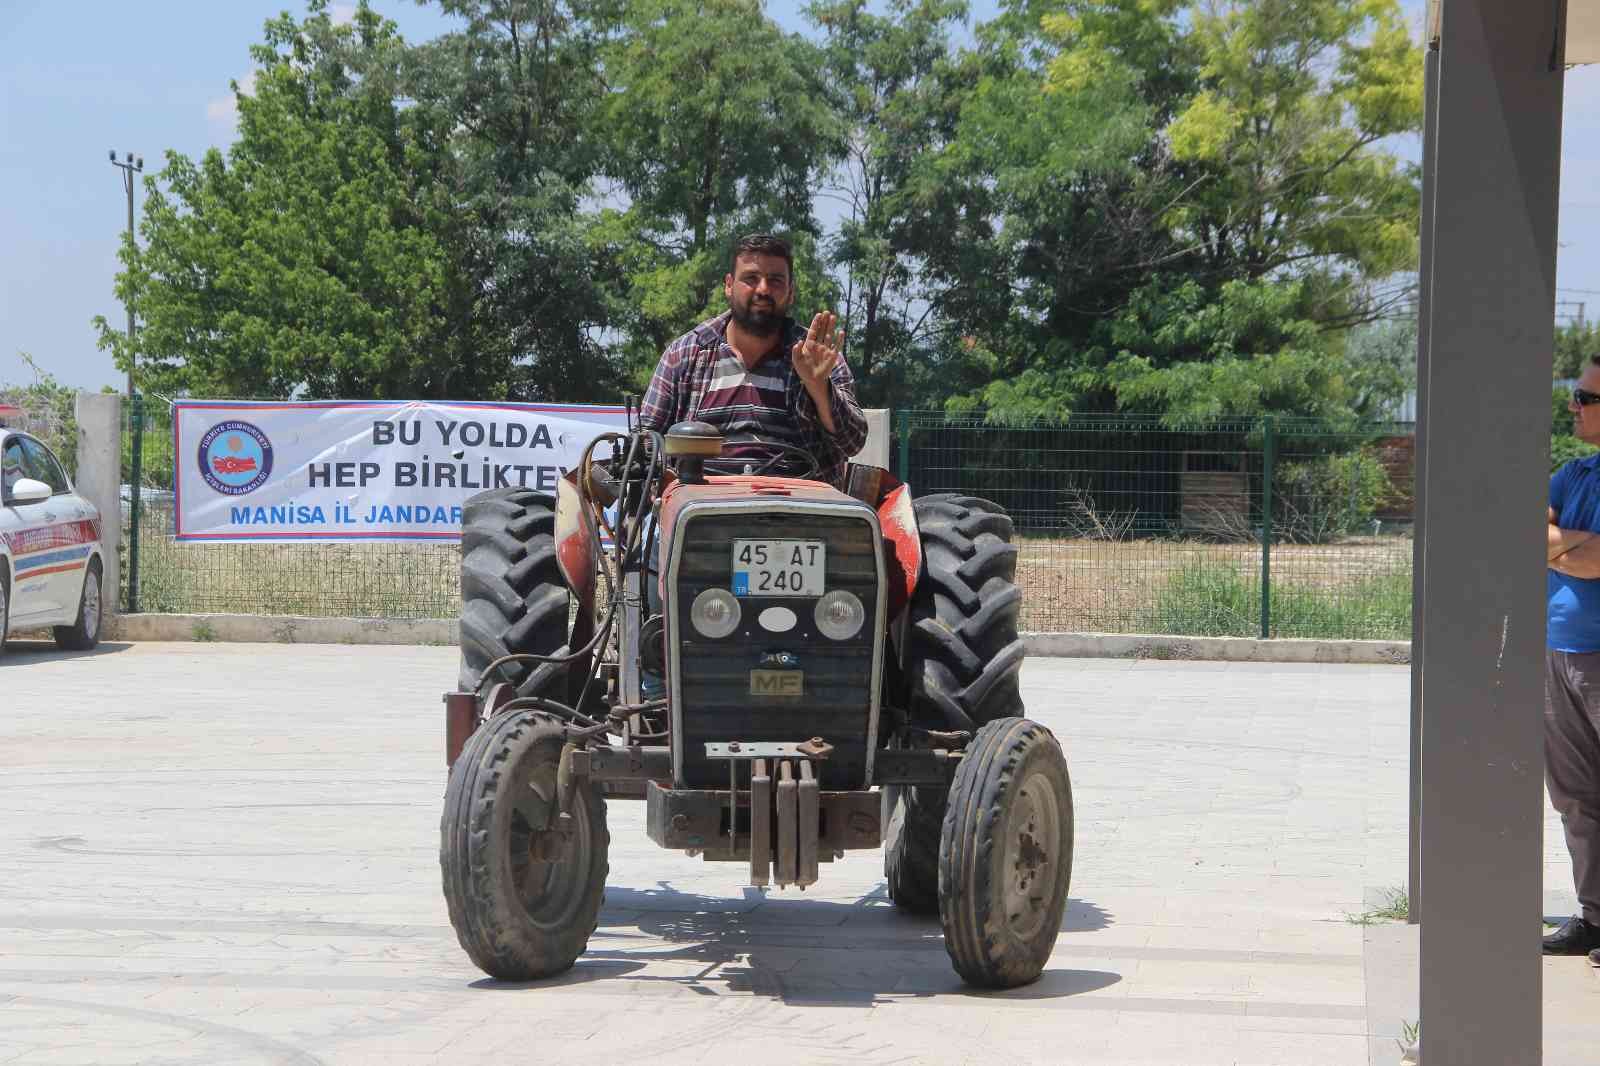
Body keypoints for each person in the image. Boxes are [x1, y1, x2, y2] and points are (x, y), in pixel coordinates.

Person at [637, 233, 868, 488]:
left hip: (802, 517)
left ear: (790, 292)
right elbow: (645, 443)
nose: (763, 289)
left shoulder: (817, 356)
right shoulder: (685, 355)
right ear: (728, 285)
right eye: (751, 278)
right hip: (702, 518)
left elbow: (853, 442)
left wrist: (819, 389)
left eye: (775, 280)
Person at [1543, 355, 1600, 958]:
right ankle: (1595, 916)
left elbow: (1592, 561)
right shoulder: (1573, 474)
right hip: (1558, 653)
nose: (1573, 406)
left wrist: (1561, 548)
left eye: (1585, 398)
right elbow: (1536, 537)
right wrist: (1572, 546)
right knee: (1575, 796)